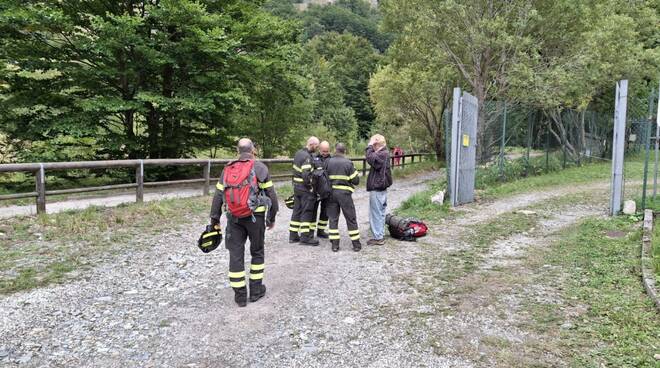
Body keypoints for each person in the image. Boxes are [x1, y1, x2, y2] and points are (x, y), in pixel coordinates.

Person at [210, 138, 278, 307]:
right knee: (257, 251)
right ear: (253, 149)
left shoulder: (228, 168)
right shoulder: (260, 167)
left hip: (234, 218)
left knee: (235, 254)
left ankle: (240, 296)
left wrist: (214, 219)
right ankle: (255, 291)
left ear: (237, 150)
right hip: (256, 217)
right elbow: (271, 194)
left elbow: (218, 196)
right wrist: (272, 217)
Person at [325, 143, 361, 252]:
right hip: (344, 194)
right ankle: (356, 245)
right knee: (351, 218)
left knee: (333, 219)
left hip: (331, 193)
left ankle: (335, 245)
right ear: (344, 151)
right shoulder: (348, 163)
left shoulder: (328, 162)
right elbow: (356, 181)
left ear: (335, 150)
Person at [289, 136, 320, 245]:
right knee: (307, 211)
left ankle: (293, 236)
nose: (317, 148)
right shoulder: (307, 157)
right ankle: (305, 237)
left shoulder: (298, 153)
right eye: (316, 145)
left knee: (297, 211)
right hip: (305, 188)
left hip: (297, 187)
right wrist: (311, 186)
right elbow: (306, 175)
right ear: (311, 144)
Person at [366, 134, 392, 246]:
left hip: (377, 188)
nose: (372, 147)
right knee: (380, 212)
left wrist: (369, 145)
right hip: (381, 187)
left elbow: (370, 158)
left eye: (374, 144)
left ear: (376, 144)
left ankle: (378, 237)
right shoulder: (384, 153)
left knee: (376, 213)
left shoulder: (382, 154)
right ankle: (379, 235)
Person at [312, 141, 332, 238]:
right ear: (319, 149)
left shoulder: (332, 160)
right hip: (315, 190)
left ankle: (321, 230)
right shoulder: (313, 158)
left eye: (327, 151)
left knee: (325, 212)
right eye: (323, 151)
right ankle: (311, 231)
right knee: (313, 211)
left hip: (327, 190)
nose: (325, 153)